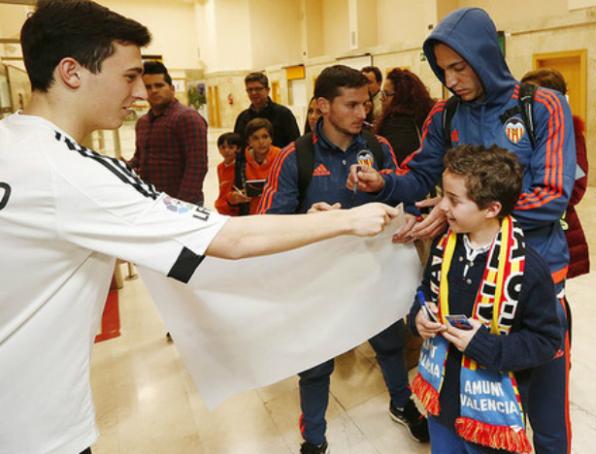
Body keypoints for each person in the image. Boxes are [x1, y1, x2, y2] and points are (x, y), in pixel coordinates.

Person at [0, 2, 399, 453]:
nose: (138, 93)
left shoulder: (11, 142)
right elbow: (229, 239)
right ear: (72, 72)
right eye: (128, 76)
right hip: (34, 427)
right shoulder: (73, 172)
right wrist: (349, 220)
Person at [347, 8, 576, 454]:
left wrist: (461, 214)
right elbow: (419, 174)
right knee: (470, 400)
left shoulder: (541, 106)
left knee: (545, 407)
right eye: (442, 70)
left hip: (537, 274)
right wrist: (385, 183)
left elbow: (552, 195)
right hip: (466, 277)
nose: (451, 80)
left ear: (486, 56)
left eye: (460, 67)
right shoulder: (445, 114)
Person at [258, 64, 429, 454]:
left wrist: (411, 212)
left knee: (389, 343)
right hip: (319, 282)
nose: (362, 113)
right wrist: (309, 221)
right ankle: (314, 439)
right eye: (351, 105)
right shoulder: (294, 158)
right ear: (322, 105)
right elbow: (265, 225)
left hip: (372, 273)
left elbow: (401, 194)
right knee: (316, 364)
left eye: (366, 103)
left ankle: (402, 404)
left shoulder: (378, 147)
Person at [409, 144, 562, 453]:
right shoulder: (444, 246)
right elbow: (424, 292)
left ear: (491, 209)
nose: (442, 207)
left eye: (453, 200)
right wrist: (419, 317)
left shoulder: (528, 269)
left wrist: (481, 344)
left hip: (490, 416)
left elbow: (546, 341)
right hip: (442, 401)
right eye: (444, 195)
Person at [521, 68, 590, 281]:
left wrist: (544, 198)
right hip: (522, 231)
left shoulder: (570, 133)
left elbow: (576, 188)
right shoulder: (519, 129)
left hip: (554, 229)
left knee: (551, 294)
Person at [128, 60, 208, 205]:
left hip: (180, 204)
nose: (153, 90)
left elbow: (196, 166)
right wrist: (124, 165)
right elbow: (140, 157)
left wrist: (179, 206)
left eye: (159, 85)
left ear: (171, 88)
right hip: (152, 202)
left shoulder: (187, 118)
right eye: (148, 87)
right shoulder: (143, 123)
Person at [375, 67, 436, 165]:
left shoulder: (394, 124)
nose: (382, 99)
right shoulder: (428, 115)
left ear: (401, 96)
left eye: (386, 94)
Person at [233, 72, 300, 148]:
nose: (253, 93)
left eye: (258, 89)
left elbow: (295, 144)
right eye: (250, 90)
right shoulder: (242, 118)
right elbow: (237, 147)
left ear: (267, 90)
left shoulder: (283, 114)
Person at [231, 118, 280, 215]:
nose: (261, 142)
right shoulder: (241, 161)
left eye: (265, 137)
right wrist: (234, 197)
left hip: (276, 214)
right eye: (255, 138)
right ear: (249, 141)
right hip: (249, 216)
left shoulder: (281, 157)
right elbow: (229, 192)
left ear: (271, 139)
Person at [214, 131, 242, 215]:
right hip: (222, 209)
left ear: (238, 149)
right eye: (223, 147)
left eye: (231, 147)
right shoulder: (220, 167)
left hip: (235, 210)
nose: (226, 150)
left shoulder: (240, 167)